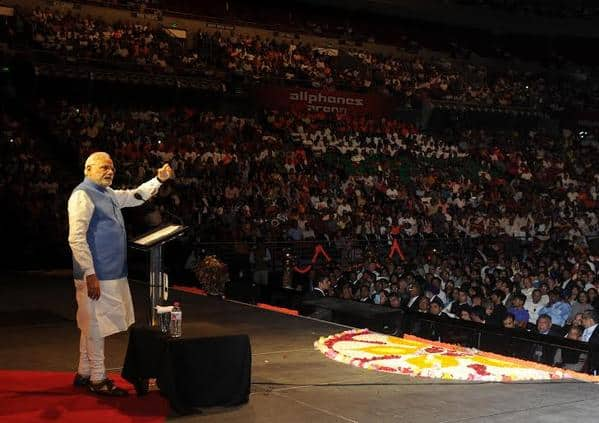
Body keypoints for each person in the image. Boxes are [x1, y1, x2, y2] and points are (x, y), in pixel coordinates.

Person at [68, 152, 173, 396]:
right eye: (104, 166)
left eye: (112, 167)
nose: (110, 171)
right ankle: (97, 377)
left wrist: (158, 179)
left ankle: (84, 372)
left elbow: (136, 196)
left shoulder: (109, 194)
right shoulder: (82, 195)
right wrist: (89, 273)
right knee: (94, 325)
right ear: (88, 169)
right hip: (97, 274)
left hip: (111, 272)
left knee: (90, 323)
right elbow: (76, 237)